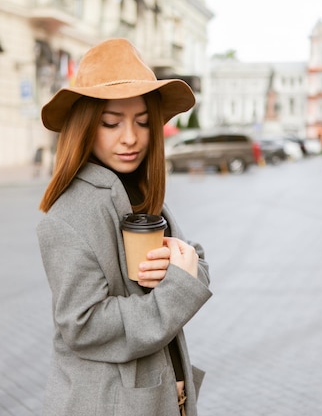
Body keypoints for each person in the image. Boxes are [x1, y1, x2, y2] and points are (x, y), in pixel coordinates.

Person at [36, 38, 212, 416]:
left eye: (143, 122)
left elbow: (189, 263)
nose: (130, 137)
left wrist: (185, 265)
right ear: (85, 126)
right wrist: (177, 289)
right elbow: (82, 325)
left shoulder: (142, 195)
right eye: (111, 122)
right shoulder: (69, 215)